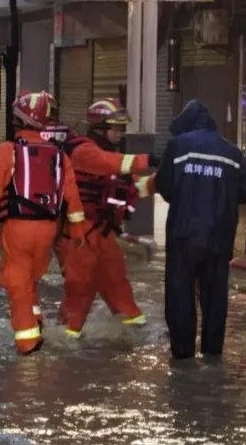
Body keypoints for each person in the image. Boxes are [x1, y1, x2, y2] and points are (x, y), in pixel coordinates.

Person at [0, 91, 88, 354]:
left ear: (17, 119)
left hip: (18, 229)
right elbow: (72, 197)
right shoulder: (60, 156)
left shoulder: (7, 151)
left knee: (17, 282)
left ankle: (27, 345)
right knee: (31, 281)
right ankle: (37, 323)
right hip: (48, 231)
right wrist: (78, 231)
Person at [156, 100, 246, 359]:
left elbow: (164, 186)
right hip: (218, 239)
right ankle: (212, 354)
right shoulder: (232, 153)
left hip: (183, 237)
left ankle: (182, 356)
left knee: (180, 297)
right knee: (214, 299)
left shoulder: (177, 147)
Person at [56, 98, 158, 338]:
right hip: (78, 236)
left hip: (102, 235)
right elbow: (111, 164)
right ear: (100, 127)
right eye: (116, 128)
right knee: (80, 292)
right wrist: (149, 160)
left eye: (122, 129)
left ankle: (135, 335)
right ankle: (63, 344)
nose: (120, 133)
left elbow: (134, 188)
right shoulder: (84, 151)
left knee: (119, 287)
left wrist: (162, 182)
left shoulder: (109, 155)